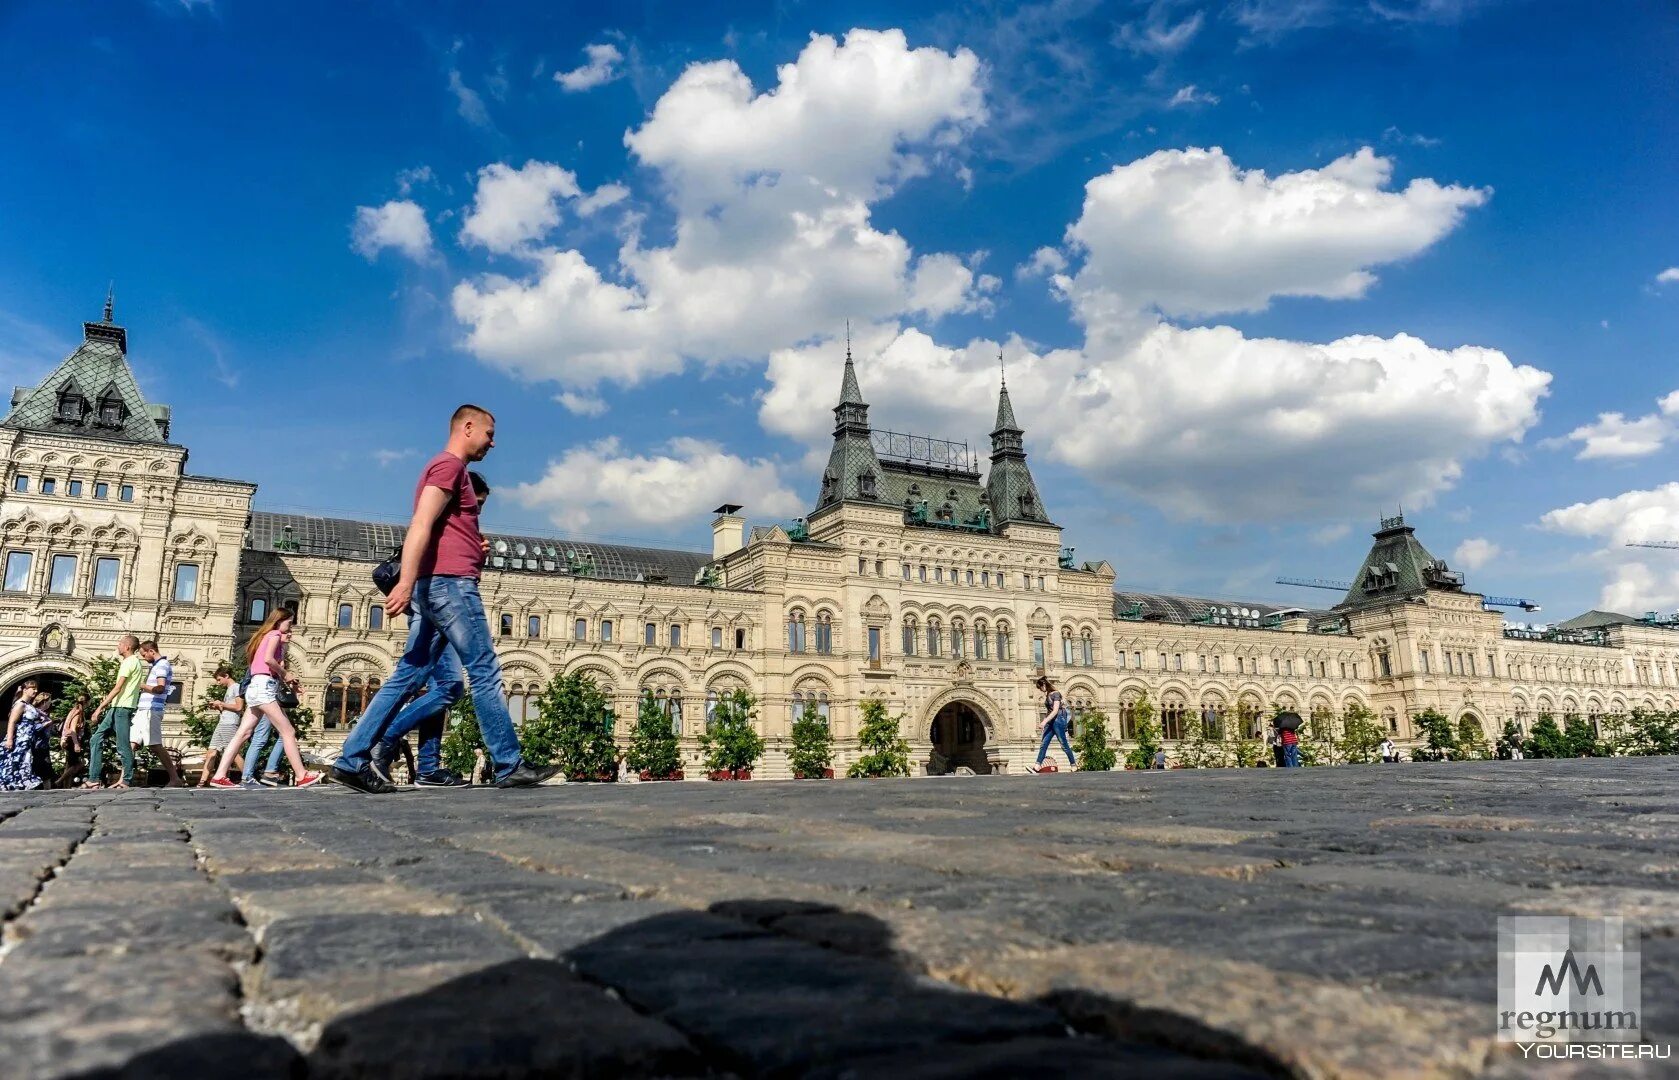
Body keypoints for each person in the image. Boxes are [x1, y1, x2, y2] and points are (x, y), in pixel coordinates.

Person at [333, 406, 555, 792]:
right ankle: (508, 763)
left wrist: (472, 547)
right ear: (467, 428)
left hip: (439, 585)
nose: (493, 441)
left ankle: (352, 759)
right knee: (484, 669)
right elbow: (420, 523)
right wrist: (404, 581)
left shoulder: (451, 472)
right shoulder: (449, 467)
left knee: (410, 674)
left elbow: (439, 529)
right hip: (450, 586)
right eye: (488, 432)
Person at [365, 469, 493, 790]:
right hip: (437, 611)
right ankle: (385, 737)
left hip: (438, 611)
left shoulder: (452, 526)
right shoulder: (442, 521)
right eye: (476, 504)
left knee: (439, 691)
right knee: (450, 687)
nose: (478, 512)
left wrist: (477, 557)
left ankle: (428, 767)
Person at [209, 606, 321, 788]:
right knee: (288, 731)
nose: (291, 628)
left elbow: (264, 665)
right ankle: (301, 775)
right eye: (289, 623)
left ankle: (219, 775)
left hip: (255, 687)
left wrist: (285, 674)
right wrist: (286, 674)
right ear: (279, 621)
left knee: (243, 733)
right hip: (264, 689)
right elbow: (269, 660)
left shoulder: (263, 638)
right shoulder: (275, 635)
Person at [86, 634, 145, 789]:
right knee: (96, 738)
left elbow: (118, 688)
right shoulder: (134, 663)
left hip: (122, 708)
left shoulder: (129, 662)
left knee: (123, 745)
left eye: (120, 644)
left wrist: (100, 707)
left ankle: (126, 780)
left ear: (127, 647)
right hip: (117, 707)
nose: (118, 646)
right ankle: (94, 778)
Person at [133, 640, 183, 787]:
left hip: (152, 709)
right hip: (144, 709)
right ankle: (124, 779)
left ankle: (175, 778)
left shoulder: (162, 665)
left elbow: (160, 688)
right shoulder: (155, 665)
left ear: (151, 651)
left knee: (155, 745)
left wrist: (140, 685)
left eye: (144, 654)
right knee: (131, 743)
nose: (143, 658)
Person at [198, 665, 247, 788]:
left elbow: (239, 707)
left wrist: (221, 703)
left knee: (232, 752)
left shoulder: (236, 687)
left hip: (230, 723)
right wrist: (220, 707)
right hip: (223, 722)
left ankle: (248, 776)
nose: (218, 683)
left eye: (219, 679)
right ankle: (203, 781)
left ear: (226, 676)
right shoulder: (229, 689)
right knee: (212, 751)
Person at [1, 686, 51, 790]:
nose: (35, 691)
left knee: (24, 762)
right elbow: (12, 721)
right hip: (19, 740)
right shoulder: (20, 704)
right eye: (32, 688)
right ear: (25, 690)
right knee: (14, 762)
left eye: (36, 688)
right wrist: (10, 739)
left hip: (28, 740)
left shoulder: (29, 706)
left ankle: (20, 783)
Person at [1026, 676, 1076, 773]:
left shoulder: (1056, 694)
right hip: (1050, 722)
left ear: (1044, 684)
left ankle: (1073, 765)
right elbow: (1050, 711)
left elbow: (1055, 710)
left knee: (1063, 744)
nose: (1041, 690)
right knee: (1044, 743)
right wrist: (1046, 721)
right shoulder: (1048, 695)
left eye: (1040, 687)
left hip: (1058, 721)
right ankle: (1037, 766)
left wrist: (1044, 721)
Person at [56, 692, 89, 788]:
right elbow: (73, 729)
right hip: (71, 740)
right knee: (79, 763)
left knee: (69, 765)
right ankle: (59, 781)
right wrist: (76, 744)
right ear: (87, 702)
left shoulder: (75, 710)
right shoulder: (78, 712)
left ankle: (66, 786)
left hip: (68, 740)